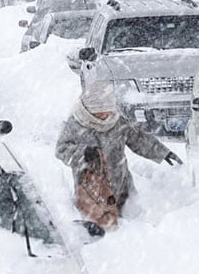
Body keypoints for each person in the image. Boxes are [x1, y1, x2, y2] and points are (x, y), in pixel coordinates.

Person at [56, 81, 183, 229]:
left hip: (122, 187)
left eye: (108, 110)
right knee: (100, 231)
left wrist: (162, 152)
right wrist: (81, 154)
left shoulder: (116, 122)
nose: (106, 115)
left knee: (131, 227)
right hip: (92, 191)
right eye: (100, 112)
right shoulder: (76, 124)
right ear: (89, 110)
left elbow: (138, 138)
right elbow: (61, 149)